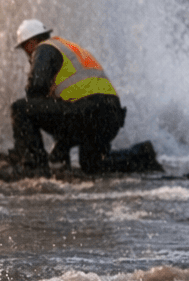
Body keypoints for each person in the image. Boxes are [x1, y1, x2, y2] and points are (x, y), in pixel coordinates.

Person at [7, 19, 125, 176]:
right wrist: (62, 145)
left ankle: (34, 168)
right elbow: (66, 109)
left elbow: (36, 88)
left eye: (24, 48)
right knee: (92, 164)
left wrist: (22, 149)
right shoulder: (69, 48)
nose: (27, 53)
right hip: (110, 116)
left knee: (21, 108)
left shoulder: (44, 48)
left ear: (31, 42)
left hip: (87, 112)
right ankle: (143, 155)